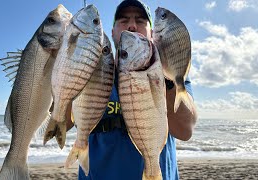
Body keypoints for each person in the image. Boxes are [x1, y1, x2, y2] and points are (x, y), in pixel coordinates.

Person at [67, 0, 197, 179]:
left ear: (153, 33)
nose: (132, 26)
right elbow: (62, 123)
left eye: (141, 21)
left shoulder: (172, 72)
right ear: (112, 32)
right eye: (123, 20)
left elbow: (185, 130)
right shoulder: (92, 70)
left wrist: (167, 80)